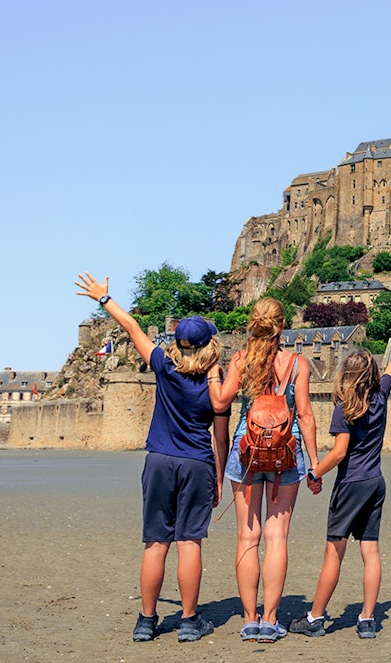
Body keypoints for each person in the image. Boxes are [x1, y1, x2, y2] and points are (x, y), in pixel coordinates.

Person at [74, 272, 230, 643]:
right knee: (190, 541)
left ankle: (146, 621)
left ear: (178, 342)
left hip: (159, 459)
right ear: (210, 344)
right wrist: (219, 478)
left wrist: (103, 298)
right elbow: (220, 438)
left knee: (156, 542)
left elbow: (132, 328)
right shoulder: (215, 384)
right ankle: (190, 622)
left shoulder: (163, 365)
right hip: (197, 463)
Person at [289, 314, 391, 640]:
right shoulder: (381, 394)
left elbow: (339, 453)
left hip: (350, 484)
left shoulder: (345, 407)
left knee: (334, 553)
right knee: (370, 551)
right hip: (375, 483)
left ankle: (314, 618)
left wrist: (313, 473)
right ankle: (367, 619)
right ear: (372, 374)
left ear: (346, 375)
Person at [214, 297, 321, 643]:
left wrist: (213, 373)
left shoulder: (242, 360)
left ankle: (249, 620)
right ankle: (271, 620)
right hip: (286, 454)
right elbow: (304, 415)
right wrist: (315, 463)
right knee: (276, 539)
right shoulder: (296, 363)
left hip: (245, 451)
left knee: (247, 537)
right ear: (282, 325)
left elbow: (221, 402)